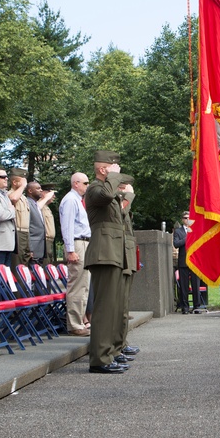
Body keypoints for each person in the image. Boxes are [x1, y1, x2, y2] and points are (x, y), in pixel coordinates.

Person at [84, 151, 132, 373]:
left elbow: (120, 218)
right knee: (104, 309)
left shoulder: (109, 191)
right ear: (103, 169)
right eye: (114, 167)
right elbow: (104, 196)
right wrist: (113, 178)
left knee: (113, 308)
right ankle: (100, 359)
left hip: (112, 253)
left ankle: (110, 352)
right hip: (103, 253)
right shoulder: (94, 188)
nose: (118, 171)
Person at [59, 172, 92, 336]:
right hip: (77, 243)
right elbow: (67, 226)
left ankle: (80, 321)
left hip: (84, 242)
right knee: (77, 285)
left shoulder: (78, 200)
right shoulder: (71, 200)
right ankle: (74, 324)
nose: (87, 186)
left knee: (84, 285)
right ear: (76, 183)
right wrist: (70, 249)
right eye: (85, 183)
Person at [112, 178, 139, 365]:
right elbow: (120, 214)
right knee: (116, 306)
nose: (126, 189)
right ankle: (115, 347)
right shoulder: (113, 201)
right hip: (117, 256)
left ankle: (121, 344)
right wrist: (128, 195)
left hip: (126, 256)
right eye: (122, 186)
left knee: (123, 306)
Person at [172, 212, 201, 313]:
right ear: (182, 219)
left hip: (194, 261)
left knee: (195, 285)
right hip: (183, 261)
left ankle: (197, 306)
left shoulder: (196, 230)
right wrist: (187, 238)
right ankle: (185, 307)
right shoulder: (178, 231)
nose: (187, 219)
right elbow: (176, 244)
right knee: (184, 286)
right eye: (185, 218)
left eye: (189, 218)